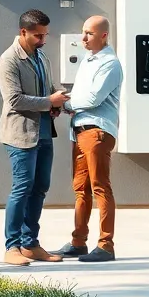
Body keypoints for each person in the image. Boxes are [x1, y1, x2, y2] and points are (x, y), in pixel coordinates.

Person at [0, 9, 70, 267]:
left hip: (44, 132)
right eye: (38, 35)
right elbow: (14, 100)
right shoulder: (9, 60)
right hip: (20, 134)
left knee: (40, 188)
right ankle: (12, 246)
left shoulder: (41, 57)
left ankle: (30, 244)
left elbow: (48, 90)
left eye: (45, 35)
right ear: (23, 32)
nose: (43, 40)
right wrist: (49, 101)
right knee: (22, 188)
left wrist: (59, 103)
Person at [52, 15, 123, 263]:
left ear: (104, 35)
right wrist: (66, 102)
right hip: (80, 131)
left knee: (100, 187)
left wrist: (63, 103)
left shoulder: (110, 64)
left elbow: (92, 99)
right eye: (83, 32)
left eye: (89, 33)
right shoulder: (87, 61)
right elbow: (81, 95)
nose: (83, 38)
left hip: (97, 132)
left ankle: (106, 246)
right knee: (81, 189)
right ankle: (78, 242)